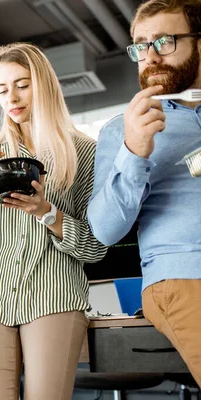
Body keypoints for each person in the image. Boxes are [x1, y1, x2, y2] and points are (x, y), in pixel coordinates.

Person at [0, 42, 107, 400]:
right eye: (2, 90)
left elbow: (95, 245)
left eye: (22, 84)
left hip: (53, 297)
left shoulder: (84, 152)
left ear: (43, 84)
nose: (12, 98)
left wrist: (45, 212)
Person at [88, 0, 201, 385]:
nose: (149, 55)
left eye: (164, 41)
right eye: (140, 44)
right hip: (188, 276)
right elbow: (104, 230)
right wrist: (134, 150)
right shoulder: (121, 129)